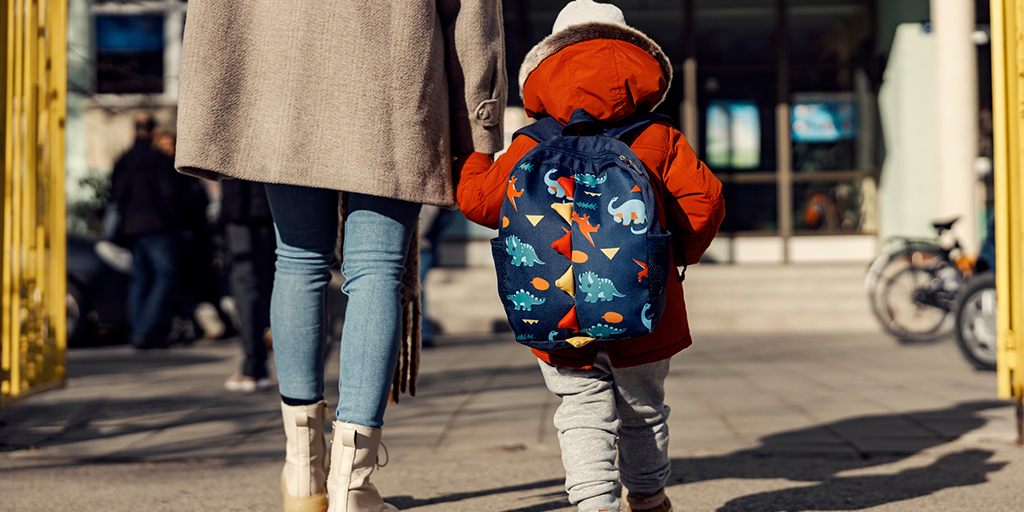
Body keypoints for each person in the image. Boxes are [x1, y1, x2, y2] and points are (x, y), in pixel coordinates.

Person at [173, 2, 506, 511]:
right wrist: (479, 123)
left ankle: (303, 475)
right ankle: (351, 486)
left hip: (283, 71)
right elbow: (473, 12)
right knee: (377, 270)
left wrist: (219, 86)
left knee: (298, 259)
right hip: (392, 71)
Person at [457, 2, 725, 511]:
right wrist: (676, 257)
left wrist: (474, 156)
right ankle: (648, 499)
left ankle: (593, 505)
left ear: (544, 72)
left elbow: (478, 201)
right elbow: (704, 203)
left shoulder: (530, 143)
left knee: (580, 408)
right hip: (645, 299)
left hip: (552, 303)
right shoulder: (659, 137)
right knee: (643, 408)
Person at [109, 113, 189, 350]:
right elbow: (170, 194)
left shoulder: (123, 160)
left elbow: (116, 195)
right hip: (157, 226)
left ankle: (138, 331)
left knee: (139, 279)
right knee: (165, 274)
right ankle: (145, 329)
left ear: (134, 131)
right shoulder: (157, 159)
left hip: (131, 228)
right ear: (153, 132)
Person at [220, 178, 276, 392]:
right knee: (285, 274)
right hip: (281, 199)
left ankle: (254, 365)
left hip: (244, 206)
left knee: (246, 282)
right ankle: (301, 369)